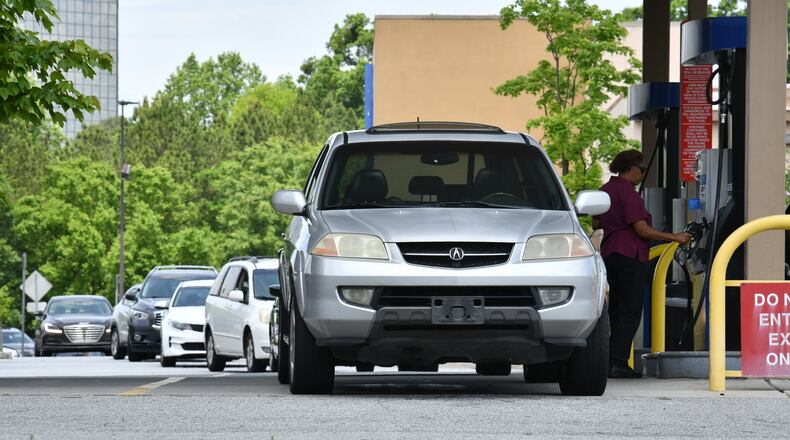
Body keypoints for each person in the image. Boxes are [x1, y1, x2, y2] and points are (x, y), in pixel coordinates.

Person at [593, 150, 691, 379]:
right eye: (642, 168)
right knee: (631, 311)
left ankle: (609, 361)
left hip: (610, 253)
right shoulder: (628, 192)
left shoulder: (605, 190)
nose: (643, 173)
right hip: (630, 254)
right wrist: (675, 236)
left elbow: (596, 221)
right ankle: (617, 361)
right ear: (631, 167)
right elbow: (641, 229)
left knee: (617, 309)